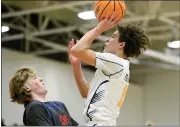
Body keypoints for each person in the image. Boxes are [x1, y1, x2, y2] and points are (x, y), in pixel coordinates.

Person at [68, 12, 150, 126]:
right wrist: (77, 66)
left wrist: (99, 28)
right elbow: (86, 93)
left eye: (112, 37)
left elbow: (77, 50)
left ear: (121, 45)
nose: (106, 40)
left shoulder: (115, 62)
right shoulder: (117, 65)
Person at [9, 68, 79, 126]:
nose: (41, 79)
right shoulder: (34, 107)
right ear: (27, 88)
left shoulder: (59, 104)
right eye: (34, 78)